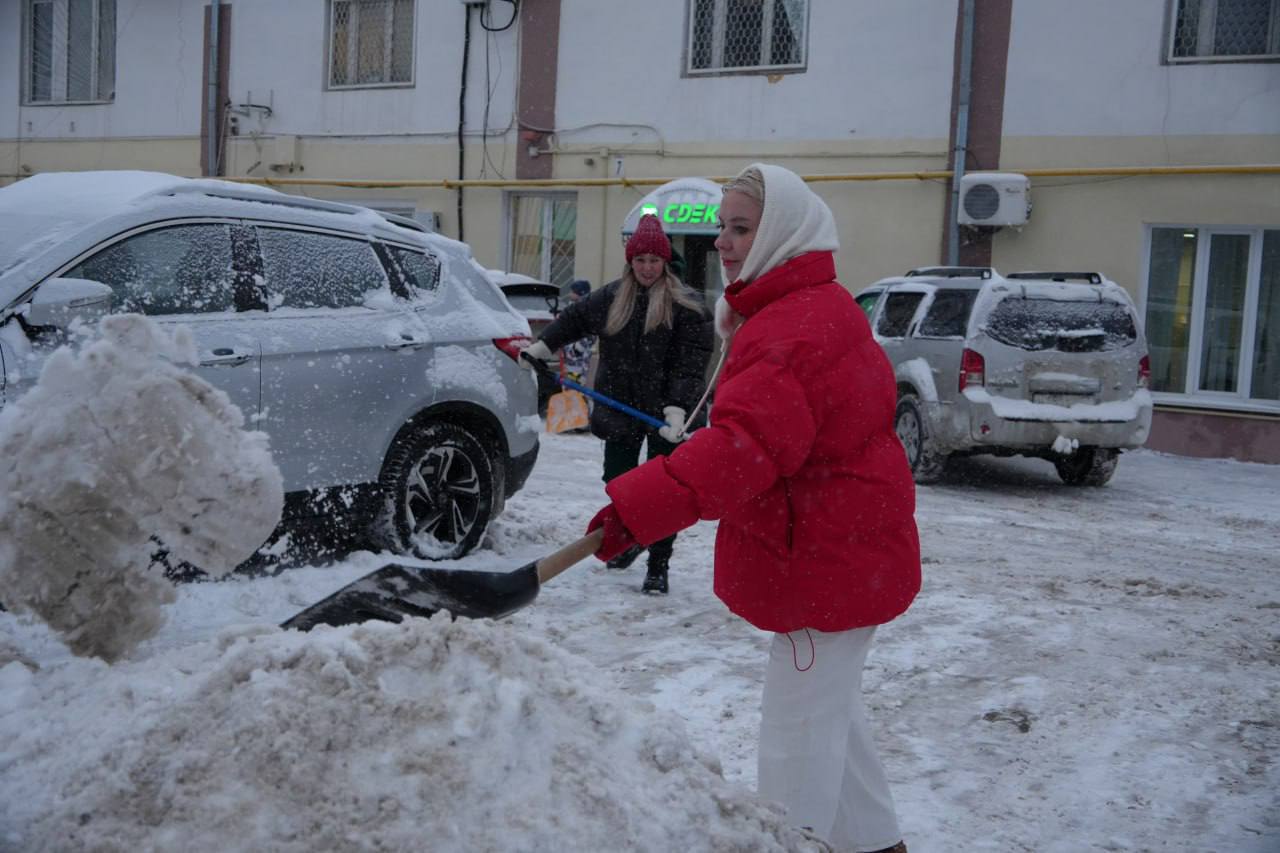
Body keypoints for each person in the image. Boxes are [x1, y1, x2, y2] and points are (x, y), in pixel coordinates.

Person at [583, 164, 919, 853]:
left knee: (797, 744)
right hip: (845, 554)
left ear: (783, 233)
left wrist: (640, 509)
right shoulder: (812, 306)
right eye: (722, 227)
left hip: (824, 562)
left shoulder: (792, 330)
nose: (724, 242)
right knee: (831, 720)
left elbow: (743, 449)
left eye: (741, 228)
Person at [522, 214, 712, 594]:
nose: (647, 268)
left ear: (665, 262)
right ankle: (633, 538)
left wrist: (678, 409)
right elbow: (574, 319)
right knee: (619, 483)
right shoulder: (611, 297)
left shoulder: (686, 305)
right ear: (630, 262)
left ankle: (658, 564)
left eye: (654, 261)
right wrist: (543, 346)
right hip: (621, 406)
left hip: (668, 415)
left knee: (664, 493)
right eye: (640, 260)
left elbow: (691, 364)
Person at [560, 279, 595, 384]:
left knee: (576, 382)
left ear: (579, 293)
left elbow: (591, 334)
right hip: (569, 356)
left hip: (578, 358)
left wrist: (576, 350)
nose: (570, 294)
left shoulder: (587, 310)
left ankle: (576, 391)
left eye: (572, 291)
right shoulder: (573, 308)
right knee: (568, 381)